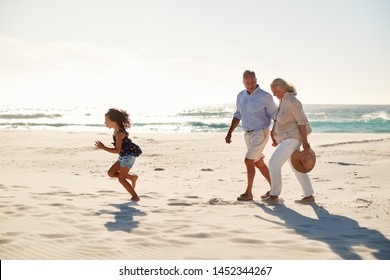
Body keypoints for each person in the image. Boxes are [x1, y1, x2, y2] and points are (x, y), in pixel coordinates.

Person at [225, 70, 277, 201]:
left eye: (252, 82)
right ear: (243, 82)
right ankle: (275, 189)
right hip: (247, 134)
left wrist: (275, 132)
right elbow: (238, 115)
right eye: (247, 83)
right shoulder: (240, 96)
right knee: (258, 162)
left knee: (248, 161)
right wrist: (229, 132)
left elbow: (274, 115)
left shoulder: (265, 96)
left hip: (260, 132)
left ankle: (248, 193)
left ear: (256, 80)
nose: (250, 85)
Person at [263, 78, 315, 204]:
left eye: (275, 91)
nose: (274, 94)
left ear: (282, 88)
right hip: (286, 139)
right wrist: (274, 135)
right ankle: (309, 195)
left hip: (292, 139)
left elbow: (302, 123)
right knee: (297, 166)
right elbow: (280, 121)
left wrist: (305, 142)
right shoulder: (283, 101)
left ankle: (274, 195)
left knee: (274, 163)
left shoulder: (292, 101)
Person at [95, 108, 142, 202]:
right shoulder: (116, 131)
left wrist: (103, 147)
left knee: (121, 179)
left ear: (114, 120)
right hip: (123, 156)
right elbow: (119, 151)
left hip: (128, 157)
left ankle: (135, 197)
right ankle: (132, 177)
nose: (105, 123)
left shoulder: (119, 133)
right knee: (111, 173)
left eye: (106, 121)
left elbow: (117, 150)